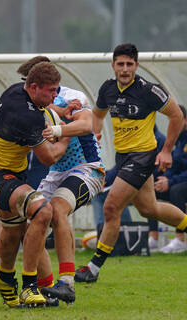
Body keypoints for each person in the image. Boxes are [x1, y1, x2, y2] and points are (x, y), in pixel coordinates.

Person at [74, 43, 187, 284]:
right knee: (150, 209)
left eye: (129, 64)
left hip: (143, 156)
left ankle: (93, 268)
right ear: (113, 66)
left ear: (136, 65)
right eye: (120, 64)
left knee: (111, 207)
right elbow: (97, 113)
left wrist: (166, 150)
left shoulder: (148, 90)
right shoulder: (107, 89)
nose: (125, 69)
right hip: (123, 156)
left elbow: (176, 115)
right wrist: (95, 133)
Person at [0, 62, 70, 308]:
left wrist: (63, 109)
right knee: (42, 210)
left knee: (12, 229)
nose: (55, 95)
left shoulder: (15, 91)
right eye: (52, 90)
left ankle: (5, 278)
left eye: (57, 90)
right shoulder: (28, 116)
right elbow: (48, 157)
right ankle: (29, 286)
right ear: (35, 87)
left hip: (3, 173)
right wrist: (67, 135)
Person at [36, 85, 105, 304]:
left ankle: (67, 282)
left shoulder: (72, 97)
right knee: (30, 229)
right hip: (56, 172)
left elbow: (86, 124)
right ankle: (44, 291)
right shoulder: (29, 103)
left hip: (86, 169)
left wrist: (57, 131)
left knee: (57, 210)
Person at [148, 104, 187, 253]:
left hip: (181, 184)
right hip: (178, 181)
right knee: (151, 191)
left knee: (176, 191)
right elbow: (174, 166)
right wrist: (164, 180)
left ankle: (180, 239)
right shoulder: (177, 140)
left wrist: (170, 182)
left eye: (177, 119)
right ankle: (153, 238)